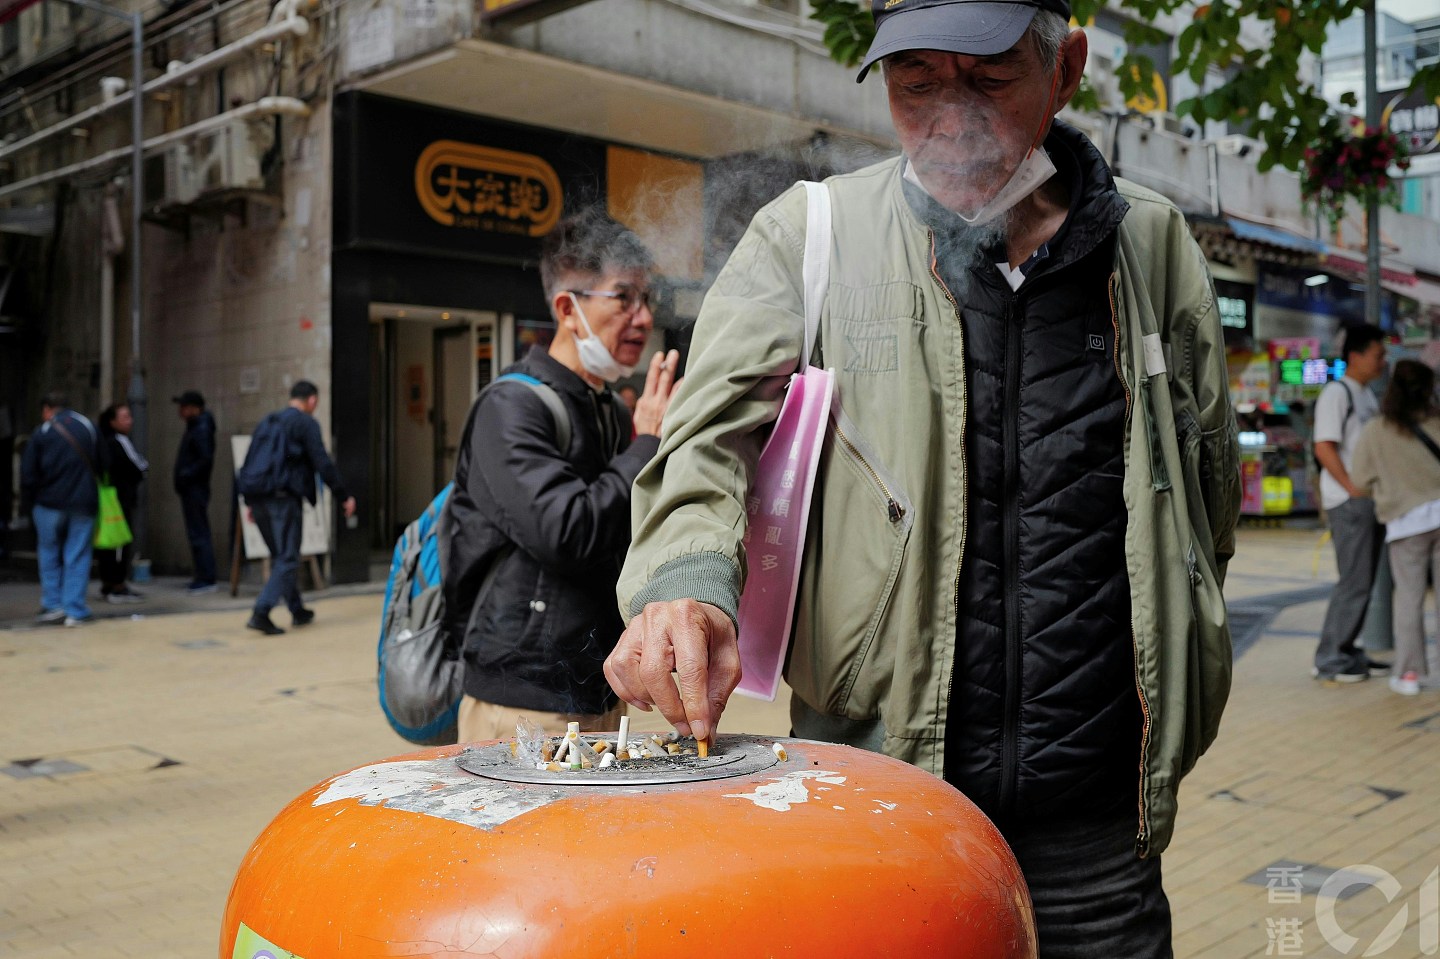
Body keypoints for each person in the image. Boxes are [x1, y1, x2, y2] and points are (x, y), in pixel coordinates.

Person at [605, 1, 1240, 954]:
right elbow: (703, 441)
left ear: (1064, 69)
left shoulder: (1150, 246)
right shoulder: (809, 235)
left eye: (987, 78)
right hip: (882, 796)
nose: (950, 114)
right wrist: (685, 587)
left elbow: (1207, 487)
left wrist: (1183, 635)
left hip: (1100, 824)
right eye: (915, 83)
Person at [441, 209, 680, 744]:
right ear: (569, 308)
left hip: (596, 687)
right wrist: (646, 443)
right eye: (624, 297)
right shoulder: (510, 406)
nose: (642, 318)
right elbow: (567, 532)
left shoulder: (609, 409)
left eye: (648, 300)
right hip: (522, 696)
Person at [1350, 359, 1440, 696]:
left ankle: (1409, 675)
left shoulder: (1377, 430)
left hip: (1407, 523)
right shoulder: (1437, 422)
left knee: (1409, 599)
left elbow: (1359, 480)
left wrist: (1389, 486)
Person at [242, 381, 356, 635]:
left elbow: (250, 461)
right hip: (284, 499)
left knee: (281, 557)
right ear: (312, 400)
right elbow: (322, 463)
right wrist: (343, 495)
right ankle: (261, 611)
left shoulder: (267, 422)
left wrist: (250, 502)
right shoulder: (305, 423)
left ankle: (297, 609)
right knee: (288, 557)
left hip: (258, 498)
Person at [1312, 324, 1390, 683]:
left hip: (1366, 500)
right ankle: (1330, 658)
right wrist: (1350, 486)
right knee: (1354, 581)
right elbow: (1324, 445)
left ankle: (1346, 649)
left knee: (1363, 579)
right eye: (1378, 354)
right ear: (1356, 356)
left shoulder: (1365, 394)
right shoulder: (1337, 393)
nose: (1383, 361)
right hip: (1349, 502)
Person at [20, 392, 103, 627]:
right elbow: (103, 462)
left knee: (49, 553)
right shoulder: (88, 426)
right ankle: (75, 609)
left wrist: (29, 503)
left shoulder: (42, 432)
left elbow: (28, 473)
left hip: (48, 504)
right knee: (77, 554)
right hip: (83, 502)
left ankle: (53, 605)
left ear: (47, 409)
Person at [97, 403, 148, 603]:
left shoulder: (104, 442)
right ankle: (117, 584)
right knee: (119, 542)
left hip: (110, 498)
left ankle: (109, 582)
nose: (130, 421)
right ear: (113, 421)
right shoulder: (117, 442)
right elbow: (137, 467)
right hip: (119, 500)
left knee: (109, 543)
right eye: (125, 417)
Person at [173, 390, 218, 594]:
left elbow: (204, 459)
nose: (181, 411)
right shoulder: (196, 427)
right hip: (191, 486)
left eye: (184, 407)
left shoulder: (201, 428)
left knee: (199, 532)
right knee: (197, 532)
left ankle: (206, 577)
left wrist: (186, 475)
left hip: (195, 487)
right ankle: (203, 575)